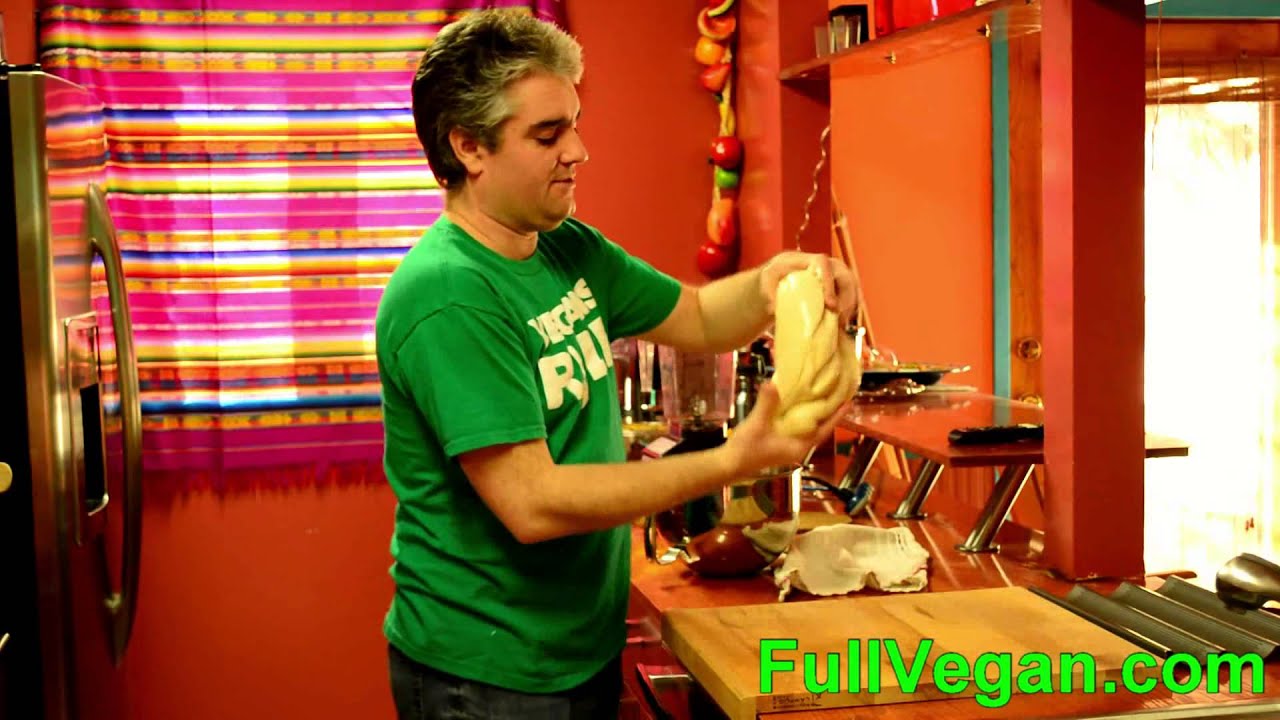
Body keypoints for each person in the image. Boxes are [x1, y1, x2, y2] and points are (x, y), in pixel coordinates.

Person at [374, 8, 858, 719]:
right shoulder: (448, 295)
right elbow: (533, 504)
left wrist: (779, 282)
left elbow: (698, 317)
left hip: (573, 647)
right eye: (547, 135)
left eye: (573, 123)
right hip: (488, 674)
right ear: (469, 146)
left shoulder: (566, 246)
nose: (578, 151)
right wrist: (732, 461)